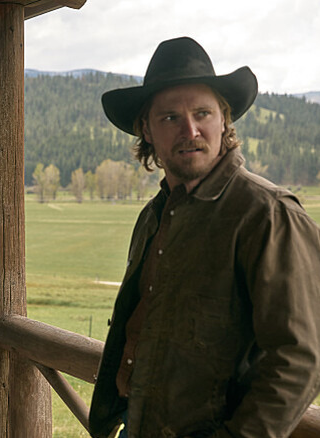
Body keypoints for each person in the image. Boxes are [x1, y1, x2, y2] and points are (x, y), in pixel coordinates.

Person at [89, 37, 320, 437]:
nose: (190, 130)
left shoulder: (266, 214)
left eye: (202, 113)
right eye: (169, 118)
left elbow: (299, 357)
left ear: (224, 119)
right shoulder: (154, 216)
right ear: (146, 129)